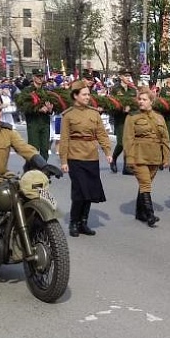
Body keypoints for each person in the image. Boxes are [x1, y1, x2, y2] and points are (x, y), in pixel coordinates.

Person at [58, 80, 113, 237]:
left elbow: (101, 134)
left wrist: (107, 152)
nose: (88, 97)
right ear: (75, 96)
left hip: (91, 156)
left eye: (89, 94)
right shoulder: (68, 115)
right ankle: (74, 223)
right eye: (84, 94)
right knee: (79, 191)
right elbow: (64, 139)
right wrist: (63, 161)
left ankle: (83, 222)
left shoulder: (94, 113)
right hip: (75, 157)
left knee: (89, 191)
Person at [124, 86, 170, 227]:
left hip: (155, 156)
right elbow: (128, 140)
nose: (141, 101)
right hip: (139, 156)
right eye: (139, 99)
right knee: (145, 183)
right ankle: (150, 214)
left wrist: (166, 157)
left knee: (146, 184)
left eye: (144, 99)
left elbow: (166, 139)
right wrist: (130, 159)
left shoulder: (159, 118)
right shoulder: (132, 118)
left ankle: (139, 212)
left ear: (151, 101)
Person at [15, 68, 55, 161]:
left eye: (42, 76)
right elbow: (23, 107)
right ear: (33, 77)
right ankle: (33, 170)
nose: (40, 78)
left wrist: (50, 109)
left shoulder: (46, 91)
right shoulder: (27, 91)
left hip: (45, 123)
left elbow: (53, 108)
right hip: (33, 123)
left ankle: (44, 168)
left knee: (45, 148)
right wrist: (38, 110)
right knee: (34, 148)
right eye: (38, 76)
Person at [110, 69, 138, 175]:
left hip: (130, 119)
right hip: (120, 119)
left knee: (129, 142)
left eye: (129, 76)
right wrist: (121, 109)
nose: (128, 78)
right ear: (121, 77)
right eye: (125, 76)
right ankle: (113, 158)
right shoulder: (115, 89)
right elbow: (111, 104)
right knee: (121, 143)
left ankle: (127, 167)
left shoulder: (133, 90)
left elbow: (136, 103)